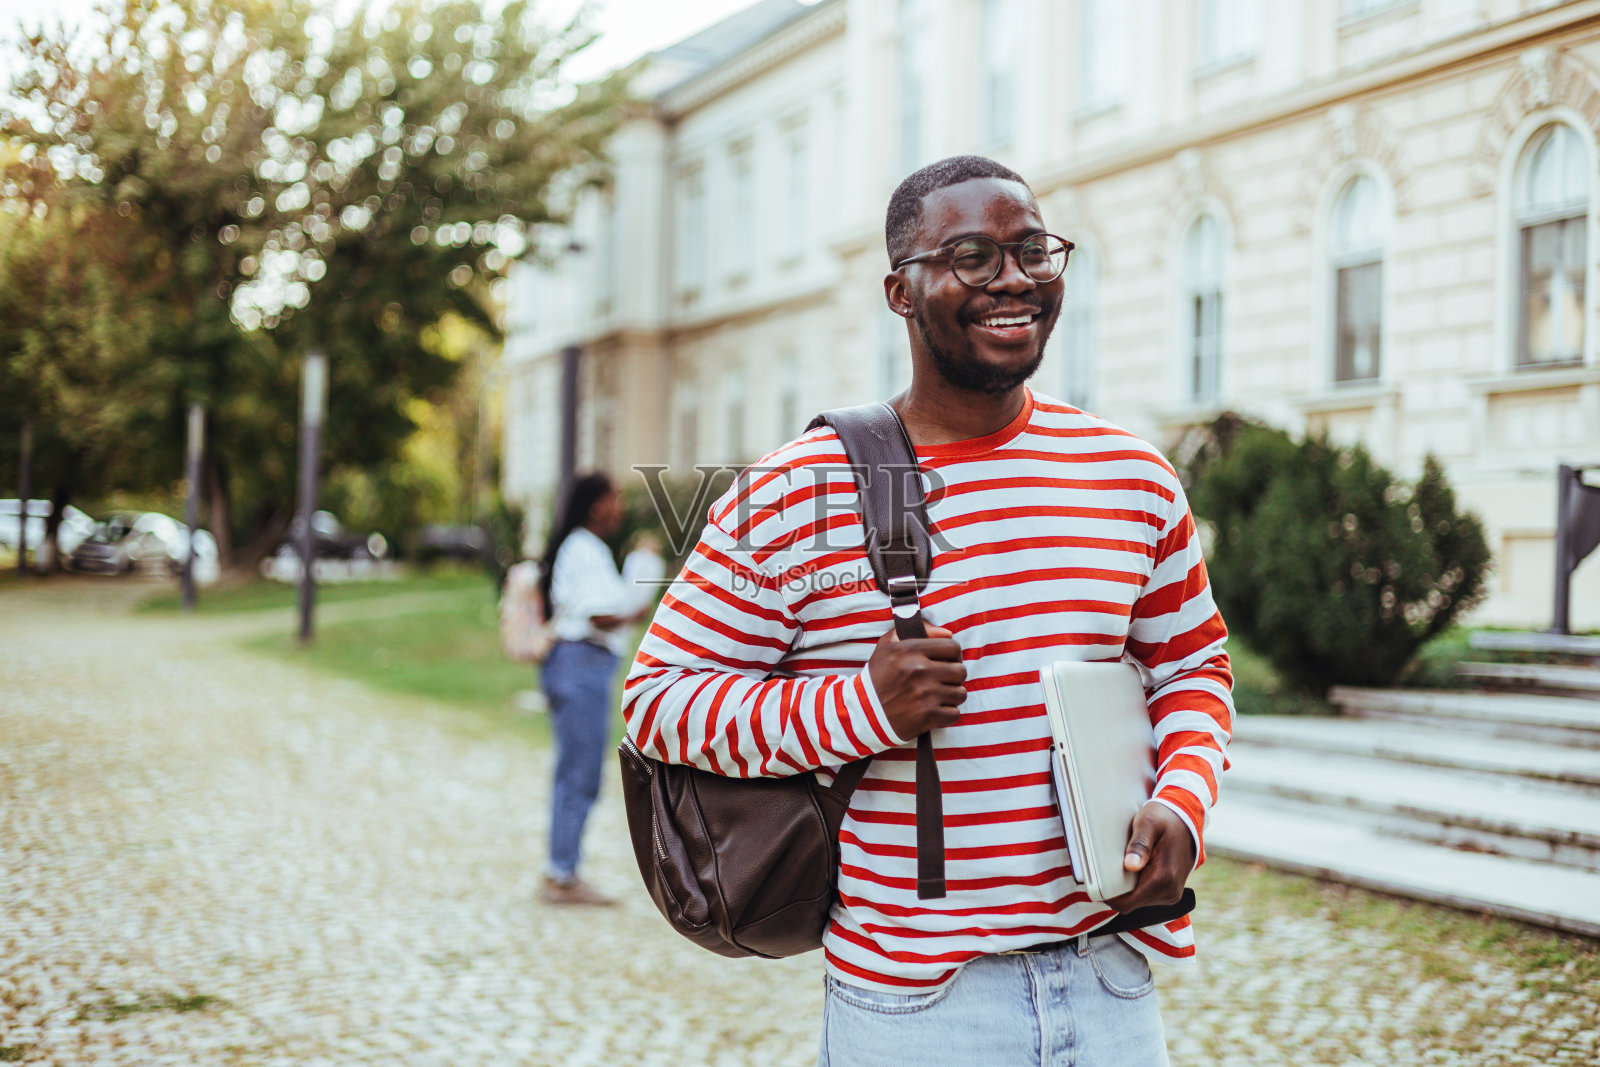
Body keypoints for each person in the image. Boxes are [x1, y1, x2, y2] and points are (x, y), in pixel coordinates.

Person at [622, 156, 1233, 1065]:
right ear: (900, 292)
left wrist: (1182, 803)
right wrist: (858, 708)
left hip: (1112, 984)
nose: (1014, 279)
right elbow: (656, 703)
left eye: (1034, 250)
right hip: (915, 1007)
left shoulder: (1130, 476)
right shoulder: (800, 489)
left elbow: (1193, 670)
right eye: (973, 257)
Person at [538, 472, 662, 906]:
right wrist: (642, 592)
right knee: (580, 773)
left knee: (574, 770)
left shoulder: (583, 547)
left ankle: (561, 870)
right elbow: (601, 616)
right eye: (616, 498)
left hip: (579, 665)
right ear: (596, 505)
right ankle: (562, 876)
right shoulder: (585, 549)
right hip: (582, 664)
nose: (621, 507)